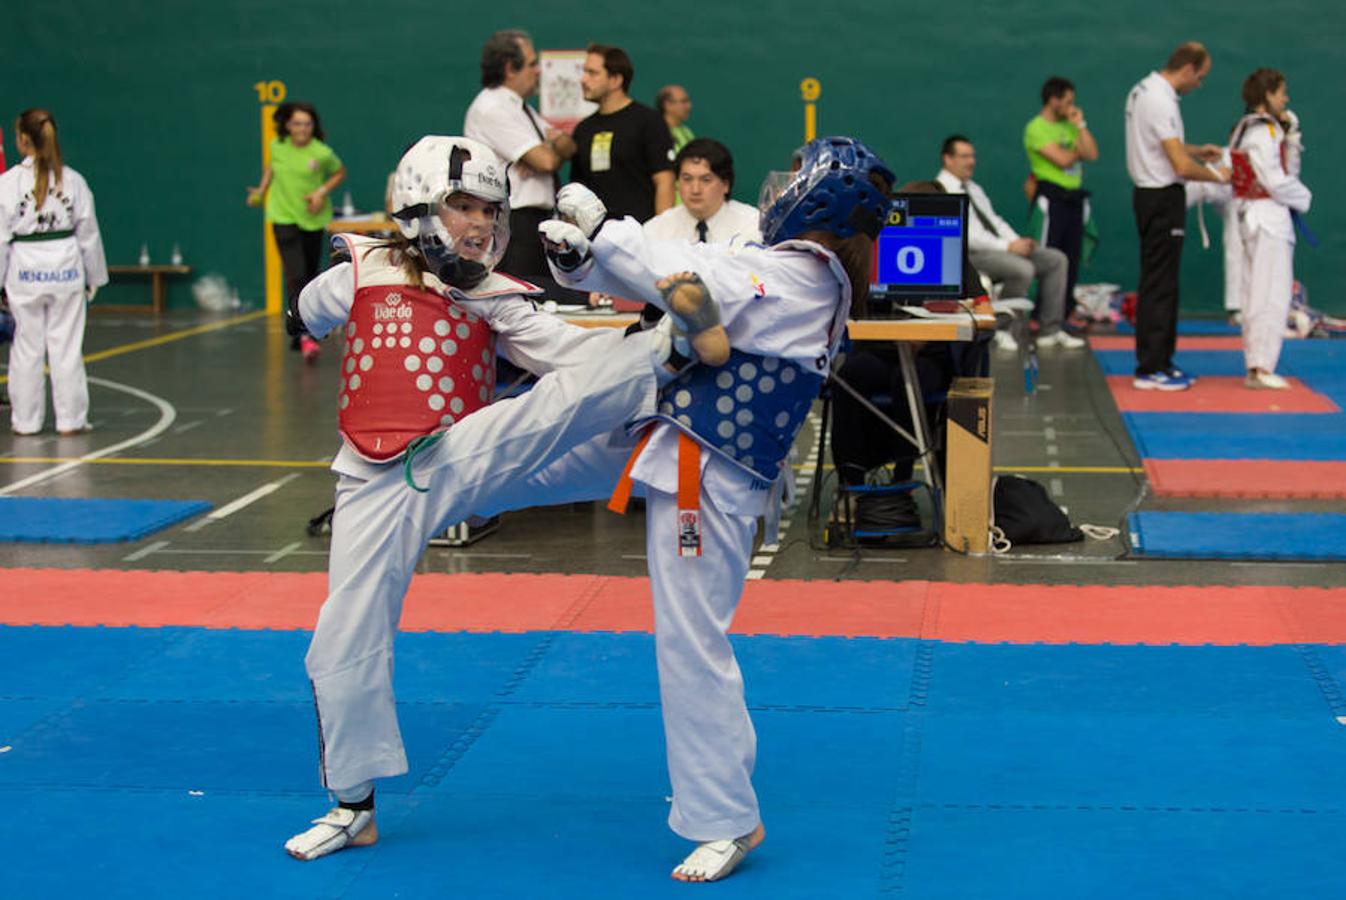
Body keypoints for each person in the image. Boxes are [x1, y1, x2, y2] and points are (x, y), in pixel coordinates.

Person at [281, 135, 726, 862]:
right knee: (340, 639)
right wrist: (333, 291)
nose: (481, 224)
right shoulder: (360, 268)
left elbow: (573, 363)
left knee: (555, 406)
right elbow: (305, 315)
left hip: (461, 457)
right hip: (371, 478)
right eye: (463, 206)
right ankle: (353, 806)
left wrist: (642, 353)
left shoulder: (495, 296)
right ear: (420, 204)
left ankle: (671, 350)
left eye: (491, 210)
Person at [538, 135, 895, 882]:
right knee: (527, 451)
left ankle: (727, 818)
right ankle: (437, 483)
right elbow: (682, 283)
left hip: (711, 477)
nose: (779, 190)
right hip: (673, 444)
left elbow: (697, 279)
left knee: (691, 642)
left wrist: (607, 233)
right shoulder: (797, 271)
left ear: (821, 199)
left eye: (794, 180)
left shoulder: (806, 278)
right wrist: (582, 262)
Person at [1124, 41, 1229, 391]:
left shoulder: (1143, 89)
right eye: (1200, 77)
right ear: (1187, 69)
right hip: (1161, 198)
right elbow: (1180, 166)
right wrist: (1219, 175)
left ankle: (1161, 362)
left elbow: (1165, 146)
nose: (1199, 84)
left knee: (1162, 282)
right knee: (1159, 285)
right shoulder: (1160, 99)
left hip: (1151, 196)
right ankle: (1151, 367)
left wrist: (1199, 150)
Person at [0, 108, 106, 436]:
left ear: (21, 140)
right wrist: (94, 277)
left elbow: (0, 239)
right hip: (66, 269)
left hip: (25, 269)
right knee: (66, 345)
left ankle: (27, 421)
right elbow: (89, 234)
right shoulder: (72, 180)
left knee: (27, 346)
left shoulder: (7, 184)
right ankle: (71, 420)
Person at [464, 29, 585, 302]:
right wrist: (545, 150)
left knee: (546, 304)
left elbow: (568, 144)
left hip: (536, 225)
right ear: (510, 68)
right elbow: (547, 160)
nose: (539, 71)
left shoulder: (522, 109)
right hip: (516, 226)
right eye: (532, 64)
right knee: (524, 302)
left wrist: (547, 148)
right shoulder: (492, 108)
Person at [936, 135, 1084, 350]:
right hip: (969, 256)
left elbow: (994, 221)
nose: (971, 161)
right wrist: (1008, 247)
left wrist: (1017, 241)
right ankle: (1001, 329)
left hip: (996, 249)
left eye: (973, 156)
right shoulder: (942, 189)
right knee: (1022, 269)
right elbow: (970, 236)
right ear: (948, 159)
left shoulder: (973, 188)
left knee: (1055, 259)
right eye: (964, 156)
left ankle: (1050, 330)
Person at [1228, 68, 1311, 390]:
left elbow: (1284, 170)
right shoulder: (1262, 132)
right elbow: (1275, 181)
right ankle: (1261, 367)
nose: (1286, 98)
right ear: (1267, 95)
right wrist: (1305, 198)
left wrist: (1291, 139)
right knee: (1270, 293)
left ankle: (1258, 364)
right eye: (1281, 92)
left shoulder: (1252, 129)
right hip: (1267, 218)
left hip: (1257, 217)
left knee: (1258, 292)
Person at [246, 101, 346, 361]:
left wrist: (320, 192)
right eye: (297, 124)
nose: (302, 128)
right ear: (288, 126)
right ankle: (305, 336)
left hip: (313, 219)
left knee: (311, 275)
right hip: (282, 216)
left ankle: (304, 327)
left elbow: (338, 172)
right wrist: (261, 189)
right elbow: (271, 169)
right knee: (297, 274)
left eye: (307, 124)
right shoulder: (277, 146)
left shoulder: (322, 152)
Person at [569, 44, 674, 222]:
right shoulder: (583, 130)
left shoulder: (649, 121)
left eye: (592, 73)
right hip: (594, 242)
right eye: (584, 72)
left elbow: (665, 182)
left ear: (616, 80)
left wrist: (659, 235)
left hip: (639, 238)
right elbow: (578, 192)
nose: (583, 80)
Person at [1024, 76, 1099, 322]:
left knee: (1071, 259)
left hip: (1073, 200)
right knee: (1048, 257)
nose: (1071, 107)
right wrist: (1078, 152)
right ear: (1053, 100)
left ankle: (1063, 316)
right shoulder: (1036, 128)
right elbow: (1063, 160)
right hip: (1050, 199)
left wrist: (1081, 125)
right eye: (1067, 101)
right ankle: (1040, 315)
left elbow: (1092, 153)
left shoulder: (1070, 126)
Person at [643, 138, 760, 245]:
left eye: (706, 180)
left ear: (726, 185)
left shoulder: (752, 226)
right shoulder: (655, 230)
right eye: (687, 179)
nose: (695, 190)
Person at [656, 84, 694, 154]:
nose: (689, 106)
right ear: (667, 105)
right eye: (683, 101)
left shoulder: (687, 132)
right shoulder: (654, 132)